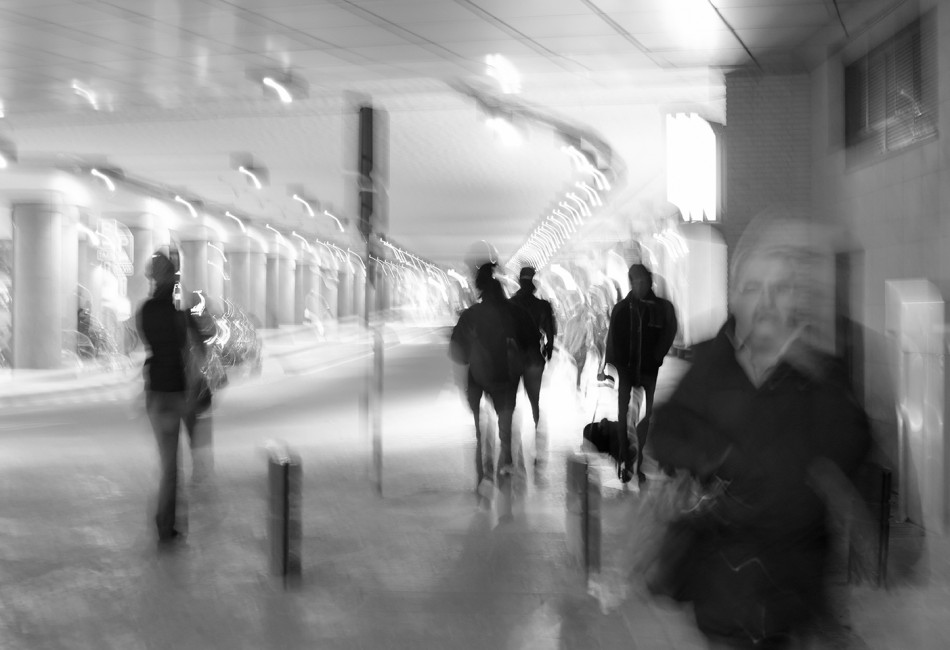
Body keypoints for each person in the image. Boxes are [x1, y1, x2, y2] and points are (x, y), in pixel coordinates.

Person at [648, 214, 871, 648]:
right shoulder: (713, 360)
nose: (766, 302)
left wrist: (812, 369)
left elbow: (854, 446)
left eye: (780, 288)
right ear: (734, 296)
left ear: (795, 300)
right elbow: (663, 432)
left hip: (791, 583)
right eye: (752, 288)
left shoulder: (820, 371)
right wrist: (716, 458)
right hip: (723, 577)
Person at [450, 262, 536, 492]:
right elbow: (531, 342)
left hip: (479, 379)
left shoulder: (472, 315)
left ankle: (484, 476)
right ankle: (506, 466)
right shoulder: (515, 313)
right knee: (505, 426)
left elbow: (456, 350)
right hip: (506, 382)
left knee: (481, 431)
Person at [604, 263, 677, 483]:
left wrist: (658, 355)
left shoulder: (662, 308)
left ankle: (638, 456)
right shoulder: (621, 308)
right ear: (631, 282)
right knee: (622, 414)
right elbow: (612, 339)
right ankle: (624, 458)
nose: (640, 285)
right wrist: (609, 366)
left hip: (648, 370)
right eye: (636, 281)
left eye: (643, 281)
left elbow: (670, 330)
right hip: (626, 371)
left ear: (649, 281)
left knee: (647, 414)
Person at [136, 251, 189, 546]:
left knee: (168, 463)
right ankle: (165, 526)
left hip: (154, 391)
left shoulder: (146, 310)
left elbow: (152, 344)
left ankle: (167, 520)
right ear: (171, 278)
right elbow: (182, 346)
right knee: (171, 467)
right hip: (172, 392)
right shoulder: (174, 312)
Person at [509, 266, 556, 471]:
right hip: (534, 358)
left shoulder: (511, 305)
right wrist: (548, 349)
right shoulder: (542, 306)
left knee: (510, 399)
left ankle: (511, 444)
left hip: (513, 358)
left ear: (520, 282)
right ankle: (537, 433)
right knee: (534, 399)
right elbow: (550, 334)